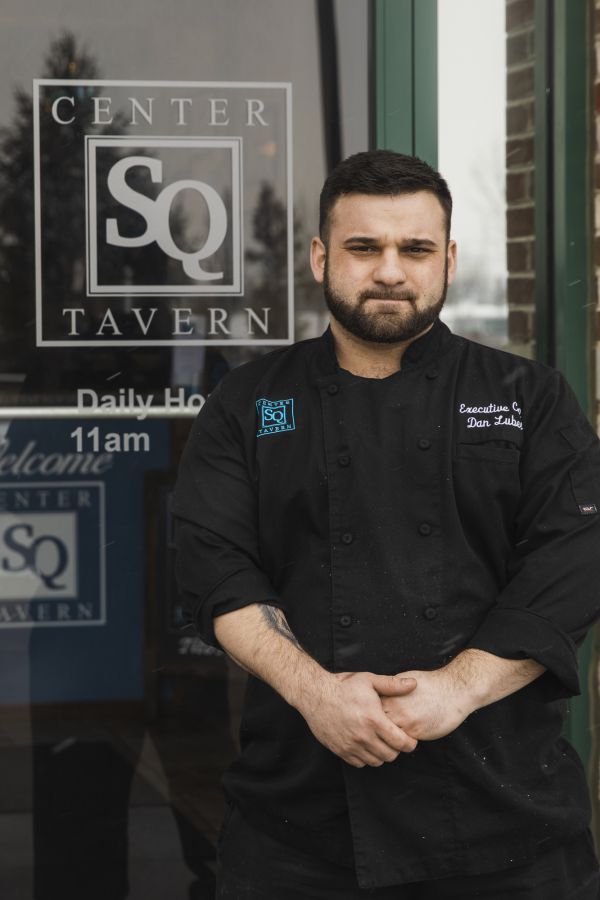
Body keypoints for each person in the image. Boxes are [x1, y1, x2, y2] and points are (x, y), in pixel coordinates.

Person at [173, 150, 600, 899]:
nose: (391, 272)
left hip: (503, 820)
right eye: (364, 247)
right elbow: (215, 566)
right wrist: (314, 692)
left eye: (416, 249)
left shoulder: (528, 396)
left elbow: (576, 559)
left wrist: (457, 691)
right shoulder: (248, 402)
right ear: (319, 257)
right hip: (297, 825)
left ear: (449, 259)